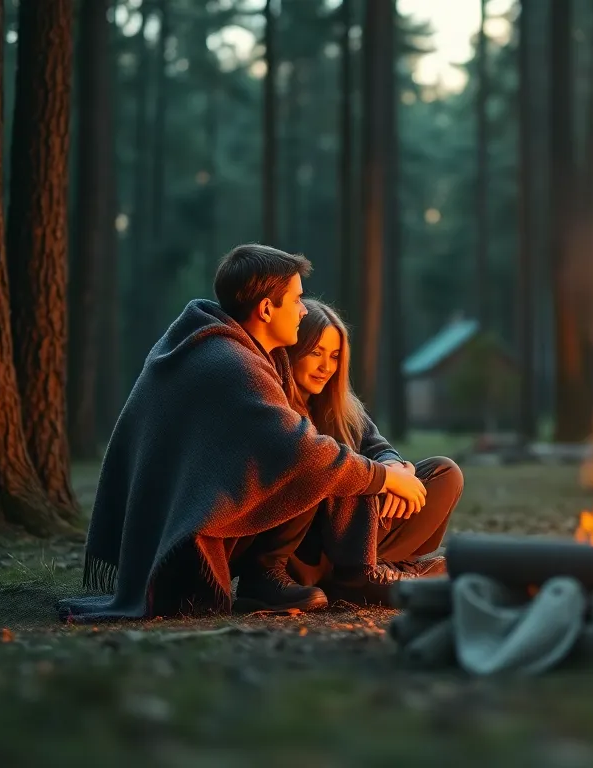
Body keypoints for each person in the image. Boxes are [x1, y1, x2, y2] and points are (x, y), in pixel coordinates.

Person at [55, 244, 428, 622]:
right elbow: (302, 452)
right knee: (313, 464)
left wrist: (391, 468)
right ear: (266, 309)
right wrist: (383, 478)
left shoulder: (224, 346)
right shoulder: (232, 363)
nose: (303, 310)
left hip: (189, 524)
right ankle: (290, 579)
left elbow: (347, 439)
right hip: (189, 543)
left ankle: (360, 570)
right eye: (297, 300)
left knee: (431, 475)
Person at [275, 300, 461, 605]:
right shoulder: (278, 407)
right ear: (294, 350)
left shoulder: (341, 406)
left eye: (334, 356)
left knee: (444, 472)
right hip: (309, 547)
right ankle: (361, 576)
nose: (325, 366)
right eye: (316, 353)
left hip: (358, 532)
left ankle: (372, 570)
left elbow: (378, 446)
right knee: (345, 470)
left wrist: (397, 469)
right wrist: (379, 478)